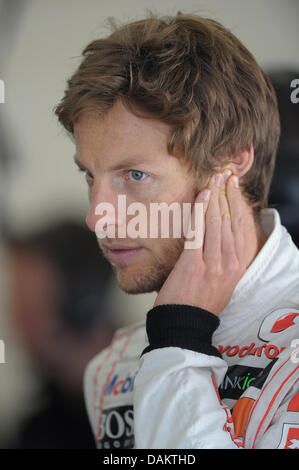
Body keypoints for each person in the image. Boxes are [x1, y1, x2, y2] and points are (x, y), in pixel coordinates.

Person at [54, 12, 299, 449]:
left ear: (232, 159)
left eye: (134, 175)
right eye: (91, 176)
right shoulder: (114, 368)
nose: (97, 217)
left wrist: (177, 345)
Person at [6, 222, 118, 448]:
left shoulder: (153, 410)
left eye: (30, 313)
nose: (17, 328)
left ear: (81, 310)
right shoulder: (38, 428)